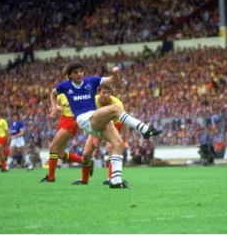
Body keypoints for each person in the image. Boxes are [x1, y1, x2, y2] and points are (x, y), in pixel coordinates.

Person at [50, 61, 162, 189]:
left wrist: (116, 74)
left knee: (118, 144)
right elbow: (53, 94)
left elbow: (114, 81)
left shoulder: (91, 81)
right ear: (69, 75)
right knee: (114, 109)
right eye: (75, 72)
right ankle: (144, 129)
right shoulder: (65, 85)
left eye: (81, 71)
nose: (79, 74)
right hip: (84, 119)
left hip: (97, 118)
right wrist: (54, 109)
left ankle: (116, 180)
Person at [71, 85, 130, 185]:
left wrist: (125, 141)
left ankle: (113, 178)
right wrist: (94, 136)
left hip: (114, 125)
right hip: (97, 127)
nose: (106, 95)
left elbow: (125, 122)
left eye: (108, 93)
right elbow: (87, 121)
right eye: (104, 93)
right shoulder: (91, 102)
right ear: (98, 92)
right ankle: (84, 180)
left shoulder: (117, 103)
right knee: (86, 155)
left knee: (111, 146)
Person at [40, 66, 84, 183]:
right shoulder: (62, 90)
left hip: (72, 121)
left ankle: (51, 177)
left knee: (52, 148)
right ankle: (85, 161)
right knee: (59, 153)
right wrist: (55, 109)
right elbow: (55, 100)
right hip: (63, 120)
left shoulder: (80, 88)